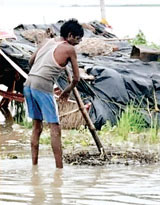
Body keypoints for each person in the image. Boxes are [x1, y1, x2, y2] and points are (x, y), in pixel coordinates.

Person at [23, 19, 84, 168]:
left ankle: (34, 165)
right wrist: (66, 91)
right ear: (70, 36)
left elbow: (31, 61)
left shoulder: (47, 42)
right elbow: (76, 78)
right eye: (77, 39)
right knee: (55, 128)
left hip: (29, 83)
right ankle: (59, 169)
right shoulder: (69, 49)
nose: (77, 43)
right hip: (42, 85)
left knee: (37, 126)